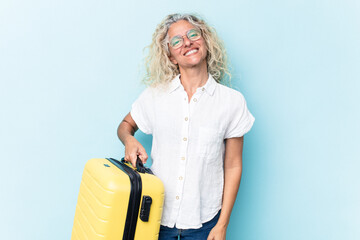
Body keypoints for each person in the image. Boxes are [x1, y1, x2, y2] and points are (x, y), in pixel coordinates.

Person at [117, 13, 255, 240]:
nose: (187, 42)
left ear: (205, 42)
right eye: (177, 41)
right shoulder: (155, 96)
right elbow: (125, 126)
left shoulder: (232, 102)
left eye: (193, 34)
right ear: (171, 56)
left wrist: (222, 225)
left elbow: (233, 166)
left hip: (205, 224)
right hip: (154, 219)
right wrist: (129, 139)